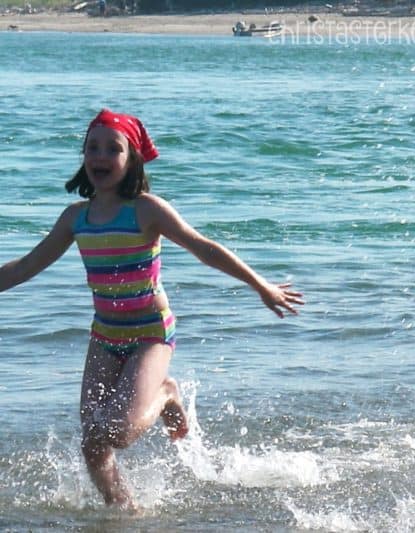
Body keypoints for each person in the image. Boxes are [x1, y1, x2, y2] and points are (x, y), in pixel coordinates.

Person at [0, 109, 304, 509]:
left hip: (150, 334)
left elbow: (204, 249)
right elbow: (26, 265)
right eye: (92, 147)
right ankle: (124, 509)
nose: (100, 156)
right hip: (105, 335)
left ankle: (165, 393)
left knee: (118, 432)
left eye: (113, 148)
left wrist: (260, 285)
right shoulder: (76, 219)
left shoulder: (146, 209)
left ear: (131, 160)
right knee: (92, 438)